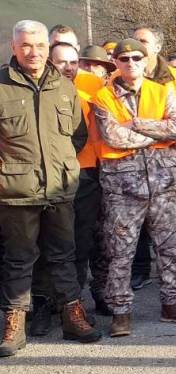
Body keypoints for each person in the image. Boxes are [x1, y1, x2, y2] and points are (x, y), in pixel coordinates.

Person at [0, 20, 101, 356]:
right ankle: (14, 323)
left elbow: (77, 134)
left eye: (40, 45)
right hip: (16, 191)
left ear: (47, 47)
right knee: (19, 259)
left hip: (59, 186)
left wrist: (58, 165)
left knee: (63, 255)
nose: (34, 52)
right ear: (14, 47)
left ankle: (72, 315)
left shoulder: (63, 86)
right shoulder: (1, 85)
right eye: (26, 45)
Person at [93, 38, 176, 337]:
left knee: (169, 247)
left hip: (162, 183)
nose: (130, 63)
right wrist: (156, 132)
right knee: (120, 251)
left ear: (145, 59)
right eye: (124, 58)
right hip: (122, 187)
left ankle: (172, 304)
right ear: (115, 62)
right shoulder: (103, 97)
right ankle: (121, 312)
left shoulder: (161, 90)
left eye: (136, 57)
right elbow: (113, 137)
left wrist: (135, 124)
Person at [50, 43, 109, 317]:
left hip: (88, 171)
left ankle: (91, 297)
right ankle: (59, 302)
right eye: (62, 62)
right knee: (58, 241)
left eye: (73, 62)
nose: (69, 67)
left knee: (89, 238)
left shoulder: (93, 85)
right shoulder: (40, 90)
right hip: (52, 175)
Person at [130, 25, 176, 290]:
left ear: (157, 47)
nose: (137, 46)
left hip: (174, 158)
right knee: (138, 219)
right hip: (133, 161)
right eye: (134, 41)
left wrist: (141, 127)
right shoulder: (122, 77)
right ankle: (141, 269)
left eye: (143, 41)